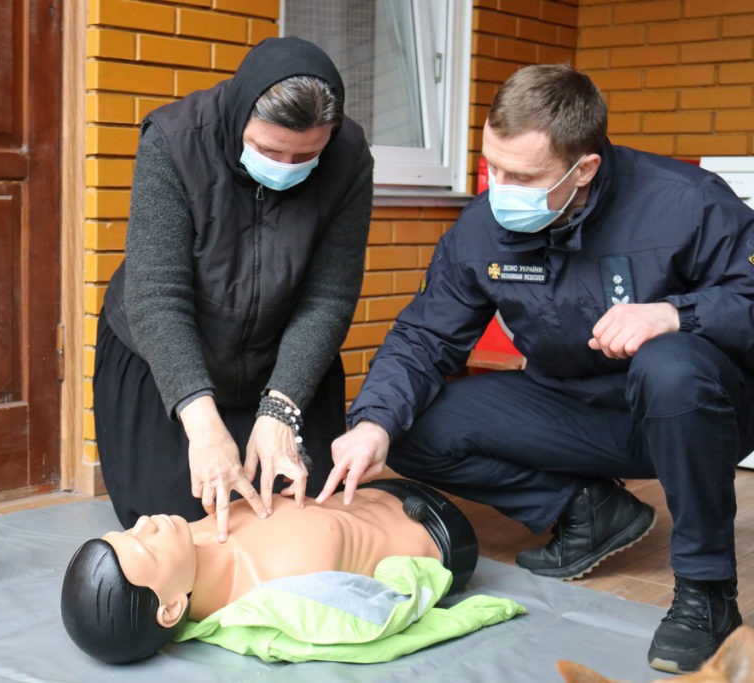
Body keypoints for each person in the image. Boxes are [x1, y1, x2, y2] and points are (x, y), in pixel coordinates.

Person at [319, 64, 754, 675]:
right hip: (573, 410)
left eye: (521, 176)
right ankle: (583, 507)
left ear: (586, 169)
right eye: (492, 167)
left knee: (670, 366)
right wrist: (372, 423)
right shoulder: (483, 227)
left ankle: (707, 593)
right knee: (407, 423)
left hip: (695, 413)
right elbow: (425, 336)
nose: (500, 189)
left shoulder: (686, 201)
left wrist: (675, 314)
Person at [95, 36, 373, 541]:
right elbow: (158, 294)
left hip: (280, 356)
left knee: (296, 504)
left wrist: (282, 411)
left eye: (305, 155)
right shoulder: (175, 140)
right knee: (184, 518)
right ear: (240, 117)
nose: (287, 168)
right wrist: (202, 427)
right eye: (268, 150)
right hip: (168, 354)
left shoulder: (349, 156)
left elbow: (328, 297)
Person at [61, 479, 478, 664]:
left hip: (381, 485)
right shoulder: (278, 585)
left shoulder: (191, 533)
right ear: (170, 610)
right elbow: (377, 616)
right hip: (440, 532)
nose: (147, 523)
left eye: (130, 529)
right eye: (145, 545)